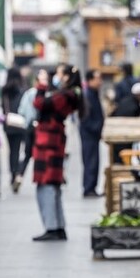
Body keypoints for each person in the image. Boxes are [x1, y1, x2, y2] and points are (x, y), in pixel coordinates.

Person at [31, 65, 82, 242]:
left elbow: (39, 103)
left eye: (59, 74)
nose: (56, 77)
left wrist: (41, 85)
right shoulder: (70, 95)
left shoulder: (64, 96)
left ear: (67, 77)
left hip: (49, 143)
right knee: (52, 185)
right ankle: (58, 226)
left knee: (46, 185)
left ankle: (52, 227)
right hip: (53, 141)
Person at [13, 67, 48, 191]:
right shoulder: (47, 94)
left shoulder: (28, 94)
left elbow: (21, 110)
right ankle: (44, 178)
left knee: (27, 154)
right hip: (43, 128)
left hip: (29, 127)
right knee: (44, 152)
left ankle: (19, 177)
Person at [0, 65, 25, 189]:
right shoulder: (22, 89)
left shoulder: (4, 90)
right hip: (20, 122)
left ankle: (12, 173)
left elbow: (3, 107)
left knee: (11, 151)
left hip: (8, 123)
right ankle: (17, 172)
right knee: (17, 149)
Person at [80, 69, 104, 198]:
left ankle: (91, 187)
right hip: (89, 134)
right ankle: (89, 188)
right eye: (97, 78)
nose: (100, 81)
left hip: (93, 134)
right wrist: (96, 128)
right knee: (90, 160)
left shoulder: (93, 93)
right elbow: (85, 118)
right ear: (90, 80)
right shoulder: (88, 95)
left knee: (93, 160)